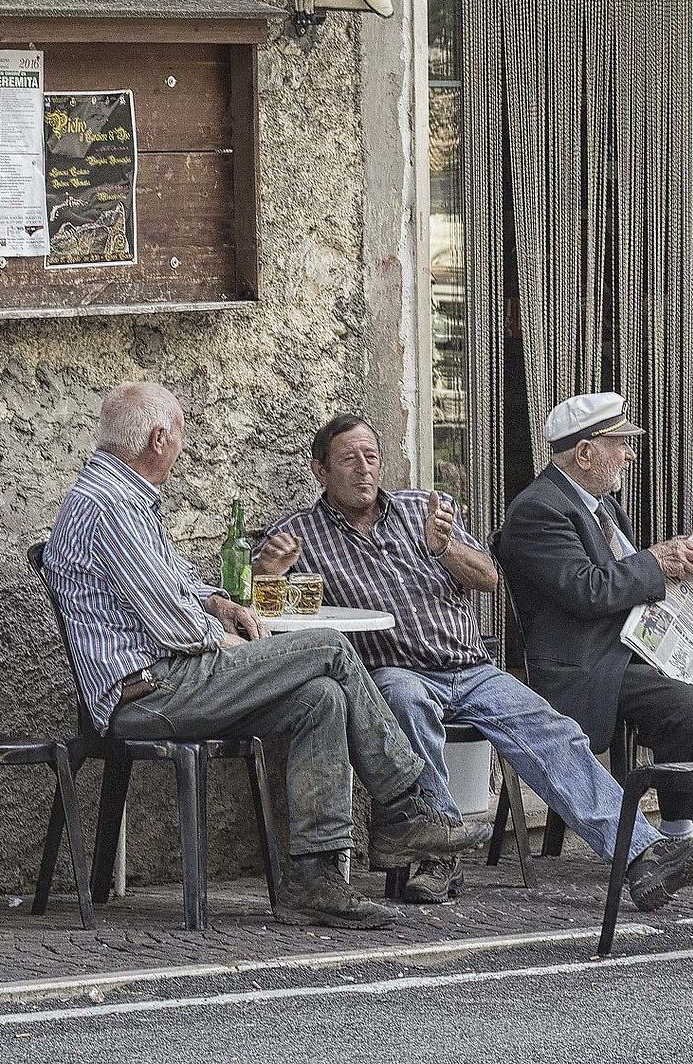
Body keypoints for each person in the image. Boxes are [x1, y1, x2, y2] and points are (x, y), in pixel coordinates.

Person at [38, 382, 489, 930]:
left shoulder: (127, 500)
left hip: (172, 678)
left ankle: (315, 882)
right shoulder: (109, 507)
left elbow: (176, 587)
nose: (183, 446)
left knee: (320, 698)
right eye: (180, 433)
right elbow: (174, 624)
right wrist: (225, 636)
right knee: (327, 646)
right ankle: (403, 805)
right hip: (150, 689)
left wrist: (219, 603)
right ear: (158, 439)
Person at [262, 412, 693, 910]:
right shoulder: (298, 534)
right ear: (321, 471)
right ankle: (438, 855)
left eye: (371, 457)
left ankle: (641, 856)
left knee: (552, 732)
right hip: (393, 668)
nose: (364, 469)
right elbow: (263, 610)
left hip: (470, 667)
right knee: (404, 702)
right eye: (348, 460)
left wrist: (445, 547)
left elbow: (490, 579)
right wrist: (268, 571)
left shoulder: (423, 509)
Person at [495, 392, 693, 875]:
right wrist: (654, 562)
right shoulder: (538, 511)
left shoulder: (600, 504)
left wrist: (672, 568)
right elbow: (587, 589)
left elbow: (620, 572)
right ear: (585, 453)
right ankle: (679, 843)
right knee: (687, 708)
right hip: (593, 665)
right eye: (620, 443)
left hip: (642, 648)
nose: (629, 453)